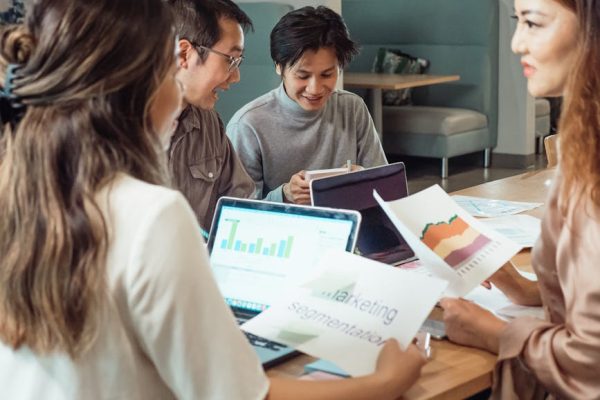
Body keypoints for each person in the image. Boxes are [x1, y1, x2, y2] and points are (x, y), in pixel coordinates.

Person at [0, 1, 426, 398]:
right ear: (142, 85)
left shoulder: (23, 188)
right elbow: (240, 394)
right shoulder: (150, 216)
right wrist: (386, 381)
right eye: (169, 71)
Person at [440, 0, 600, 398]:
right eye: (518, 21)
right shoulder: (584, 135)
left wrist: (494, 332)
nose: (516, 43)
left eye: (532, 23)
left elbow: (592, 361)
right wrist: (527, 289)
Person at [227, 6, 387, 205]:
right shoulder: (248, 125)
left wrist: (363, 179)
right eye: (303, 76)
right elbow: (238, 211)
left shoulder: (352, 108)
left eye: (327, 75)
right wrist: (285, 195)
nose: (315, 88)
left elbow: (386, 189)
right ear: (279, 66)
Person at [166, 0, 255, 232]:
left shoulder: (209, 123)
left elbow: (241, 204)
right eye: (230, 60)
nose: (235, 77)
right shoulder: (115, 129)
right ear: (184, 53)